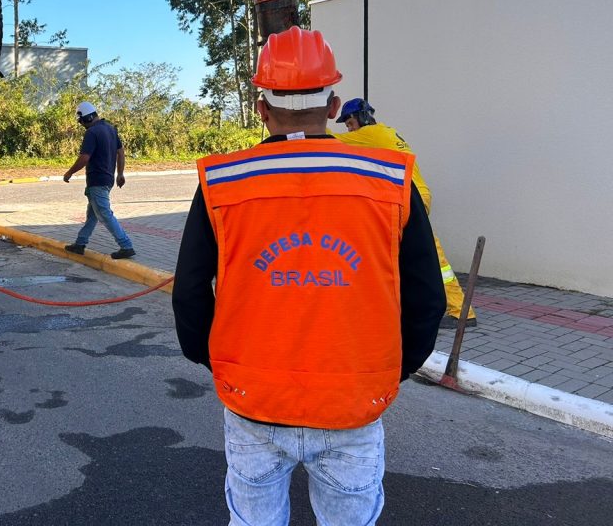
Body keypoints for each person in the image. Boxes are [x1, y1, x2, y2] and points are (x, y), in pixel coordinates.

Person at [172, 27, 445, 526]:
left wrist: (220, 363)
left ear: (261, 108)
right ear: (335, 103)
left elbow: (190, 293)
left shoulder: (222, 182)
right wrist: (388, 372)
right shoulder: (389, 179)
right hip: (354, 401)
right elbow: (428, 299)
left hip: (253, 399)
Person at [335, 97, 476, 328]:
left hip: (409, 197)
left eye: (350, 123)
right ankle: (454, 309)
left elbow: (330, 139)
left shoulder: (371, 134)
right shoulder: (387, 133)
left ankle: (459, 310)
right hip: (417, 194)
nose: (349, 129)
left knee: (411, 252)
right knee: (413, 251)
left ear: (360, 118)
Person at [62, 100, 136, 260]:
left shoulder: (92, 132)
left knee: (104, 214)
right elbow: (121, 153)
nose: (82, 125)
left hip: (97, 180)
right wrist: (120, 174)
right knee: (92, 215)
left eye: (82, 122)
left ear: (87, 118)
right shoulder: (110, 129)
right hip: (108, 179)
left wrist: (69, 173)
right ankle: (80, 244)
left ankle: (126, 245)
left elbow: (84, 158)